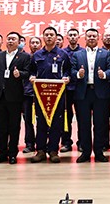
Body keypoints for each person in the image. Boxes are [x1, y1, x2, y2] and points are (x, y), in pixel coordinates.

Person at [71, 29, 110, 163]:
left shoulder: (106, 53)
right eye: (89, 36)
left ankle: (99, 152)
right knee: (83, 124)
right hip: (83, 93)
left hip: (100, 93)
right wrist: (78, 74)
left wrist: (104, 74)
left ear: (98, 38)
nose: (91, 38)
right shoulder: (77, 54)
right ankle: (85, 152)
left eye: (94, 36)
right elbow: (72, 71)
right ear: (85, 38)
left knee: (100, 124)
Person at [29, 27, 71, 163]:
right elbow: (32, 71)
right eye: (46, 34)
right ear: (43, 37)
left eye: (51, 35)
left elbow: (68, 71)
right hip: (40, 95)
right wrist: (32, 77)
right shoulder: (36, 55)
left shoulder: (63, 54)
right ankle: (40, 151)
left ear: (56, 37)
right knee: (41, 122)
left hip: (57, 94)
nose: (48, 37)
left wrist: (67, 77)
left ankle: (53, 151)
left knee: (56, 123)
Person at [0, 32, 31, 165]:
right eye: (8, 39)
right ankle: (2, 153)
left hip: (15, 96)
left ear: (19, 42)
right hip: (0, 96)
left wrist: (20, 74)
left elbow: (28, 73)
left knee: (14, 127)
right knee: (1, 127)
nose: (10, 41)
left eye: (13, 39)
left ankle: (13, 154)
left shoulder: (25, 56)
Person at [62, 28, 83, 153]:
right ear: (67, 37)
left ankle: (82, 143)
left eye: (75, 35)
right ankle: (66, 142)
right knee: (66, 117)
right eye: (71, 35)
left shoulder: (83, 52)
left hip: (80, 89)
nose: (73, 37)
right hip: (66, 90)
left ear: (78, 37)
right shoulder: (62, 53)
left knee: (82, 117)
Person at [22, 36, 42, 154]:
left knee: (42, 120)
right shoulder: (25, 58)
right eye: (32, 43)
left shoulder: (44, 57)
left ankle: (41, 144)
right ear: (29, 45)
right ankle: (29, 144)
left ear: (41, 45)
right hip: (27, 93)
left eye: (37, 42)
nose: (34, 45)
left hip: (42, 93)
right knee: (28, 120)